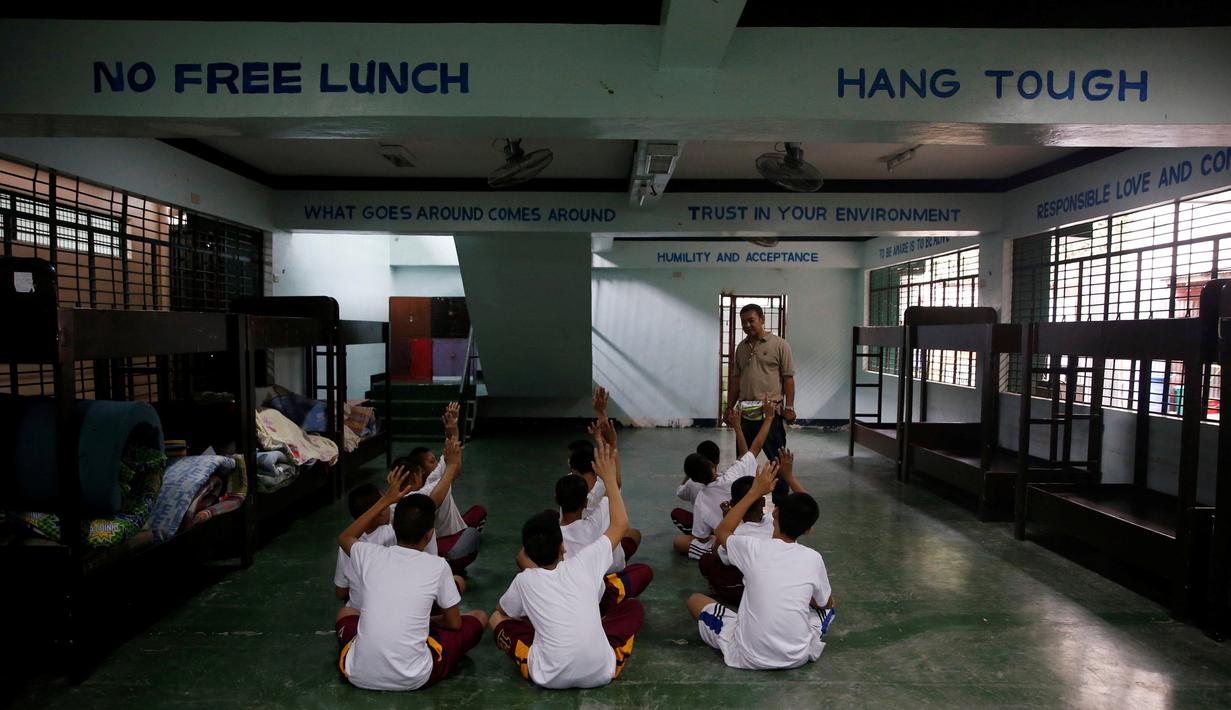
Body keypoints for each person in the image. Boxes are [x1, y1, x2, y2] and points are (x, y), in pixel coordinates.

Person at [490, 441, 644, 689]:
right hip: (601, 672)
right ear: (563, 547)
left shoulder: (524, 580)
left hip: (547, 677)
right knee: (633, 607)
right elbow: (620, 524)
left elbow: (503, 611)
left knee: (495, 620)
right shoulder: (585, 562)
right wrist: (609, 478)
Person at [335, 470, 487, 691]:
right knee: (478, 617)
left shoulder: (369, 554)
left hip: (356, 673)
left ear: (393, 527)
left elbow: (345, 537)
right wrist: (426, 622)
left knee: (345, 613)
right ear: (429, 535)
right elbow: (454, 623)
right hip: (414, 677)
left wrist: (386, 500)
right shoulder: (438, 566)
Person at [686, 460, 837, 671]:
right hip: (798, 655)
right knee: (827, 607)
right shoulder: (814, 558)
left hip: (748, 656)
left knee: (695, 600)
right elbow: (826, 604)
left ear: (774, 513)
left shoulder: (752, 548)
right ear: (808, 530)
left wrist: (755, 491)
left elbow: (721, 533)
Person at [672, 401, 774, 560]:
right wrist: (768, 418)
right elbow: (754, 448)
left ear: (694, 479)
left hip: (728, 541)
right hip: (750, 537)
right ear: (714, 465)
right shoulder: (734, 475)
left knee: (679, 541)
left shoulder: (701, 499)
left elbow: (701, 538)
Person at [698, 449, 802, 601]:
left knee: (707, 561)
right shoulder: (777, 522)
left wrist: (727, 518)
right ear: (763, 502)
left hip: (756, 591)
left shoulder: (737, 535)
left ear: (733, 505)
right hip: (787, 584)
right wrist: (789, 476)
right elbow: (807, 507)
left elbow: (717, 551)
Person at [725, 303, 796, 503]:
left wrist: (789, 407)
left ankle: (781, 505)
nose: (747, 325)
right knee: (743, 462)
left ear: (762, 319)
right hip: (745, 415)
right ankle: (744, 503)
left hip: (770, 414)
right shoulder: (741, 348)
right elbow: (736, 379)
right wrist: (729, 407)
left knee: (776, 461)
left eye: (751, 320)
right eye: (743, 322)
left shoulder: (779, 345)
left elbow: (788, 378)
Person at [406, 403, 486, 573]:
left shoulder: (434, 478)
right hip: (443, 542)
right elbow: (452, 469)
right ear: (418, 472)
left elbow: (452, 458)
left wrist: (452, 429)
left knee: (478, 511)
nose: (436, 464)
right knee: (472, 534)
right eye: (431, 461)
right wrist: (451, 466)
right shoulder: (429, 489)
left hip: (450, 531)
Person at [670, 440, 720, 535]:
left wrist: (690, 474)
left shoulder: (692, 484)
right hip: (724, 525)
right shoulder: (726, 478)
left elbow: (680, 492)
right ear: (717, 460)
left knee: (676, 514)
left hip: (705, 531)